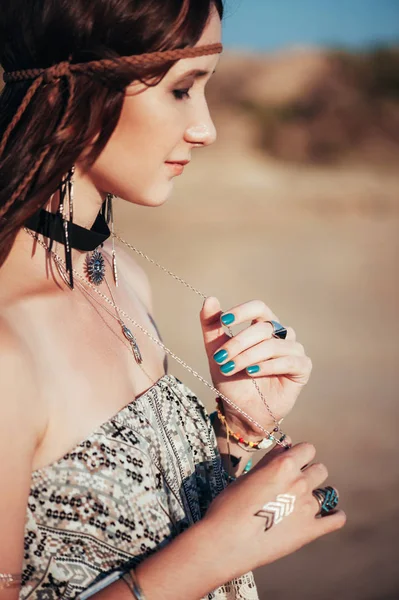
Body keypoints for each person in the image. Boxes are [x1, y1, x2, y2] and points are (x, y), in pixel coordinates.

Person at [0, 1, 346, 599]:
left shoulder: (125, 276)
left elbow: (152, 513)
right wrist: (214, 553)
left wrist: (237, 431)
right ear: (74, 88)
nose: (206, 129)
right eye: (183, 89)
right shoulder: (7, 349)